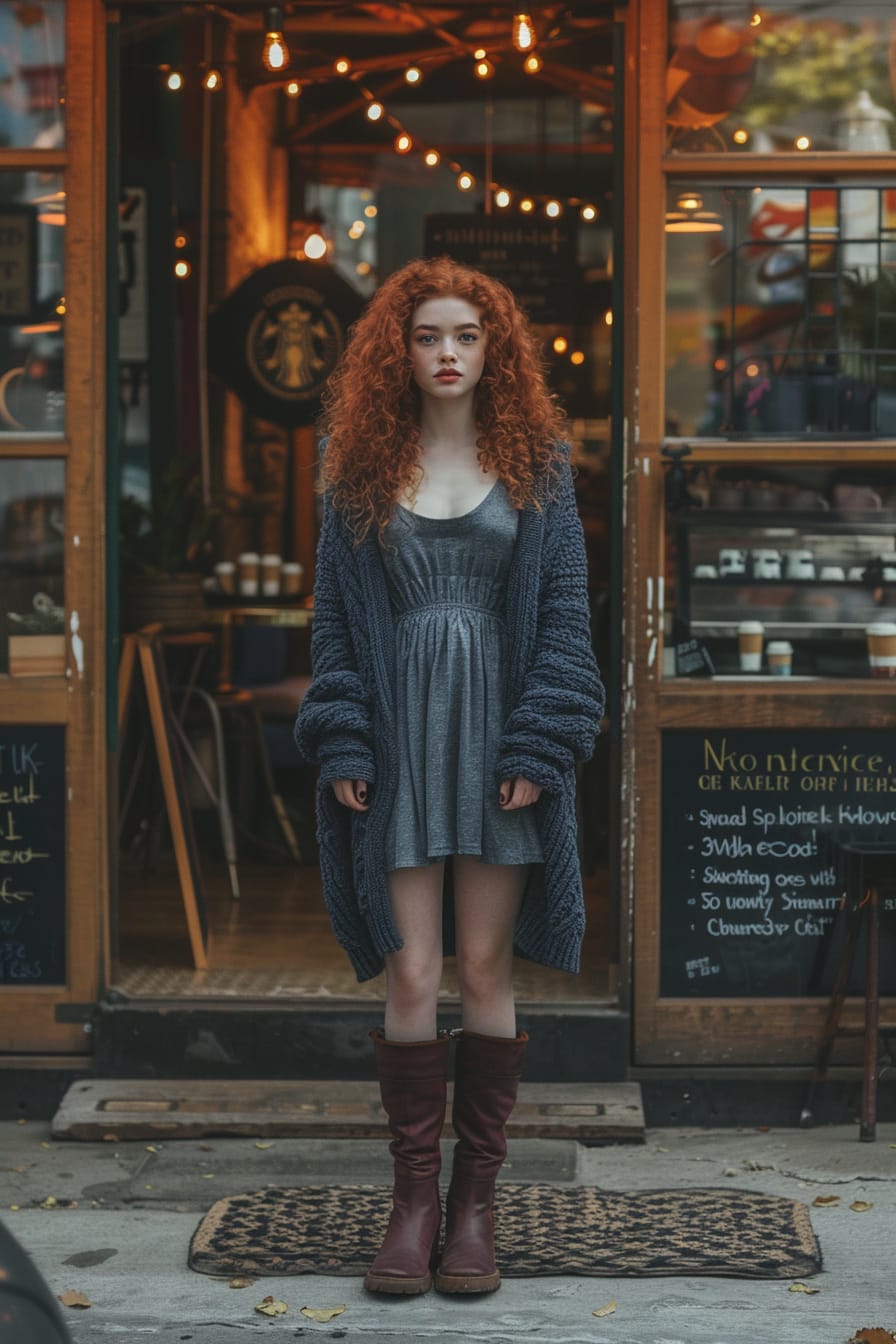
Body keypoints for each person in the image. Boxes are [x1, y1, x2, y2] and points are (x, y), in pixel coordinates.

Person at [295, 256, 604, 1297]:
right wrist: (341, 737)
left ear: (493, 351)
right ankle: (411, 1203)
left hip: (497, 747)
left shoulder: (540, 467)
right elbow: (333, 621)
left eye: (464, 337)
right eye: (426, 336)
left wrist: (539, 745)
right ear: (398, 347)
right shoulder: (352, 465)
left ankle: (474, 1209)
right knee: (411, 973)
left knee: (482, 972)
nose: (444, 354)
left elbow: (565, 623)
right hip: (395, 747)